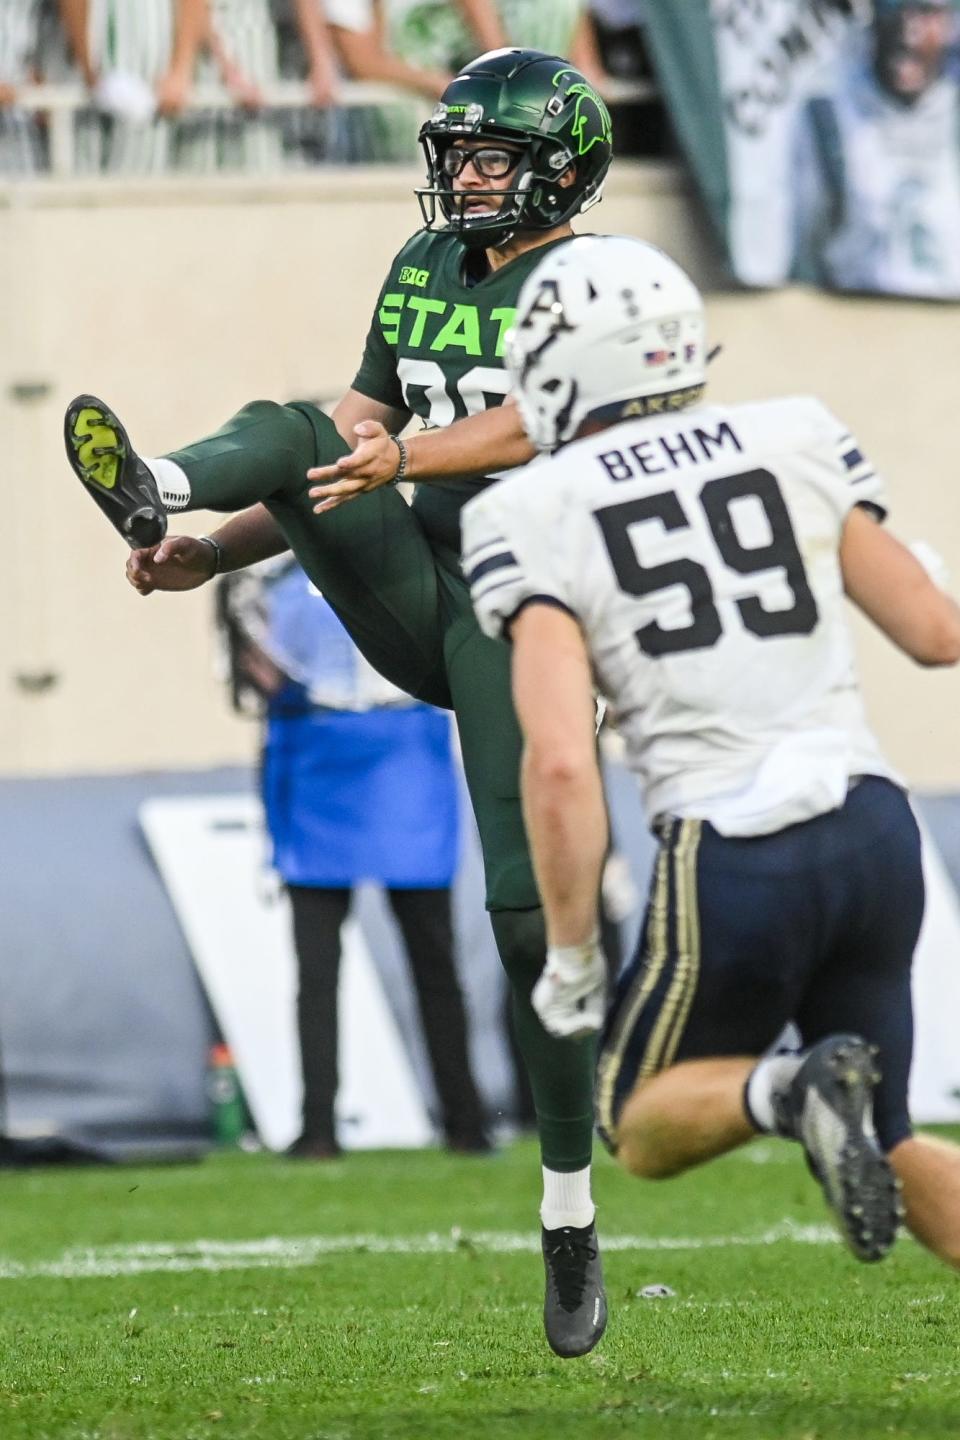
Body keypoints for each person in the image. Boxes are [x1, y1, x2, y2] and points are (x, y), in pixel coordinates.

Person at [62, 47, 613, 1359]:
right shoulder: (424, 268)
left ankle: (569, 1213)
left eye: (493, 154)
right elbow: (353, 438)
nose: (468, 173)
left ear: (559, 166)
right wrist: (210, 550)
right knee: (296, 424)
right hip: (418, 573)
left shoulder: (597, 281)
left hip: (529, 605)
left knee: (529, 922)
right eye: (460, 152)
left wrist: (405, 454)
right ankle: (160, 478)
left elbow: (544, 427)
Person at [462, 232, 960, 1275]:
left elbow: (559, 761)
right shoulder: (796, 433)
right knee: (895, 1134)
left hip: (737, 846)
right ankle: (816, 1089)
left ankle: (790, 1088)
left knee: (639, 1124)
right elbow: (934, 632)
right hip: (875, 829)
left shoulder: (529, 508)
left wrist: (570, 954)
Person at [217, 558, 491, 1156]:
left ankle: (465, 1122)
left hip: (399, 759)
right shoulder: (282, 572)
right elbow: (253, 674)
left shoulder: (403, 560)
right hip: (321, 760)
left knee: (431, 961)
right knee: (320, 969)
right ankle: (319, 1127)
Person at [791, 0, 960, 298]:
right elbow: (803, 253)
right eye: (894, 9)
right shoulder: (830, 114)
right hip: (857, 321)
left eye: (926, 12)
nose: (909, 29)